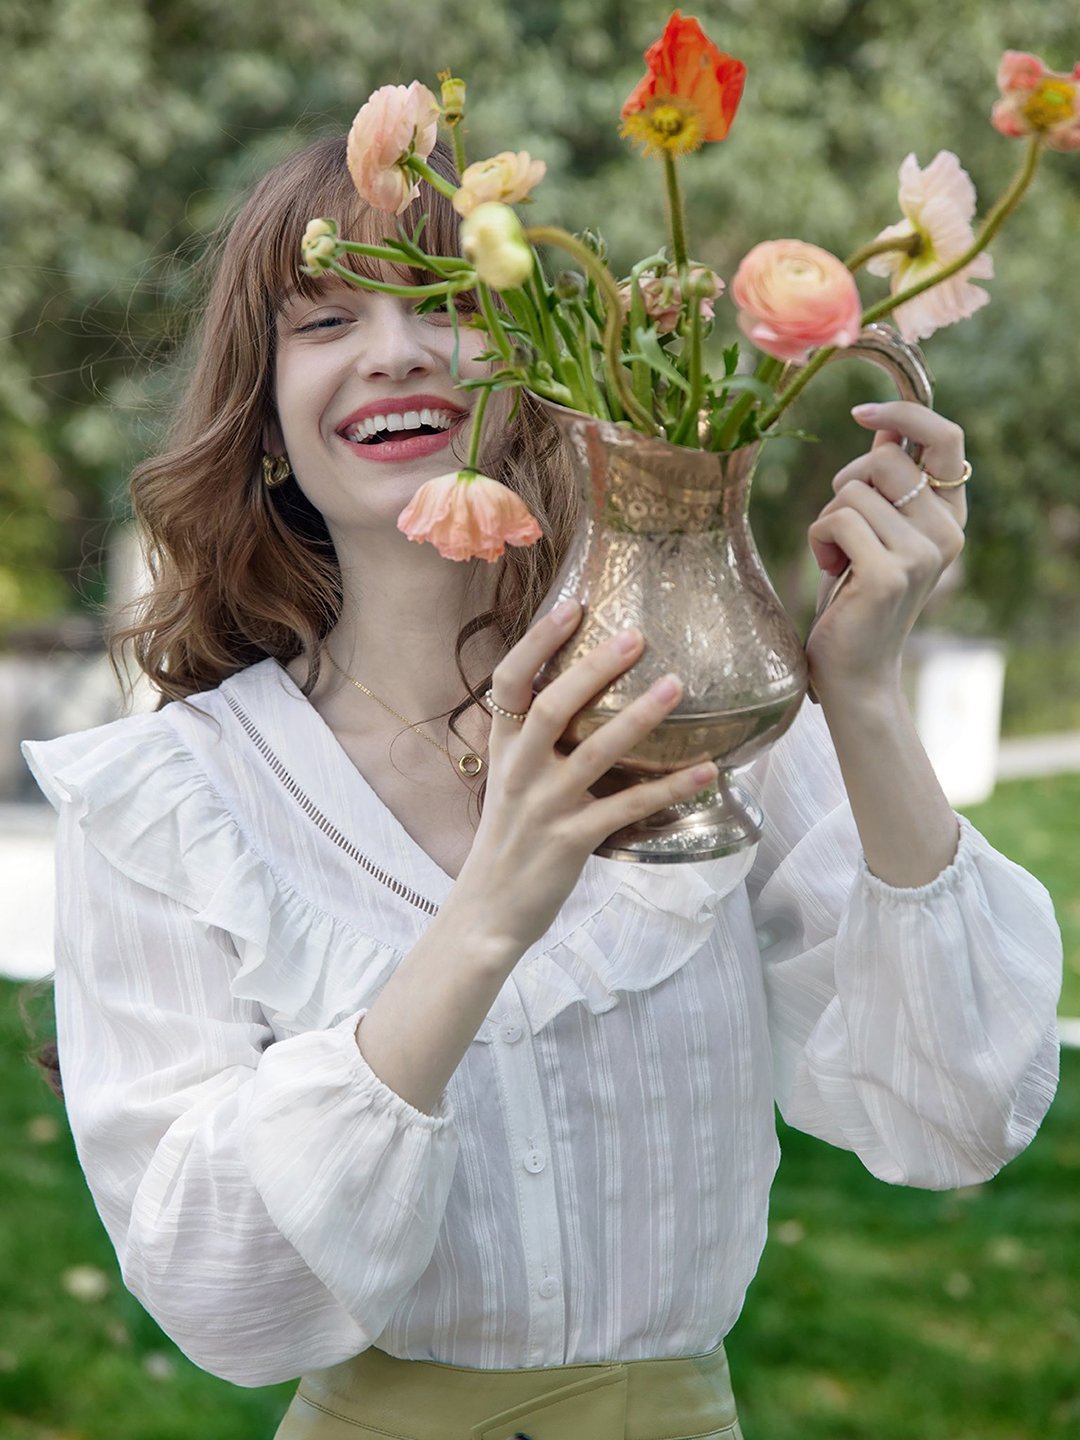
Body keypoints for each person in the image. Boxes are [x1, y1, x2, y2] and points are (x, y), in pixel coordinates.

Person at [22, 133, 1062, 1440]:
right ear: (270, 423)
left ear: (550, 377)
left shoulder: (691, 704)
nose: (394, 349)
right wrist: (488, 919)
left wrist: (856, 695)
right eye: (330, 317)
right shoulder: (168, 804)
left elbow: (962, 1110)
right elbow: (227, 1302)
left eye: (450, 304)